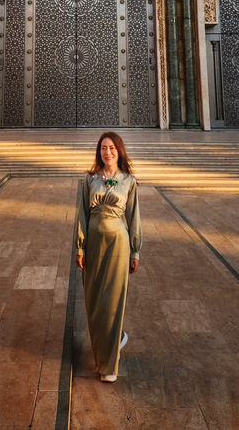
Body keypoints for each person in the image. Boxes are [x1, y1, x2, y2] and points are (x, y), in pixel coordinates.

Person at [75, 131, 142, 383]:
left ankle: (109, 365)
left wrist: (136, 250)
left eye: (112, 148)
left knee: (113, 300)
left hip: (118, 244)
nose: (108, 152)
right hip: (93, 243)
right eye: (103, 148)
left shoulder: (128, 181)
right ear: (98, 152)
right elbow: (81, 213)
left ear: (119, 151)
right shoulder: (90, 179)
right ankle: (113, 342)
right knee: (94, 302)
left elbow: (134, 217)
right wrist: (79, 247)